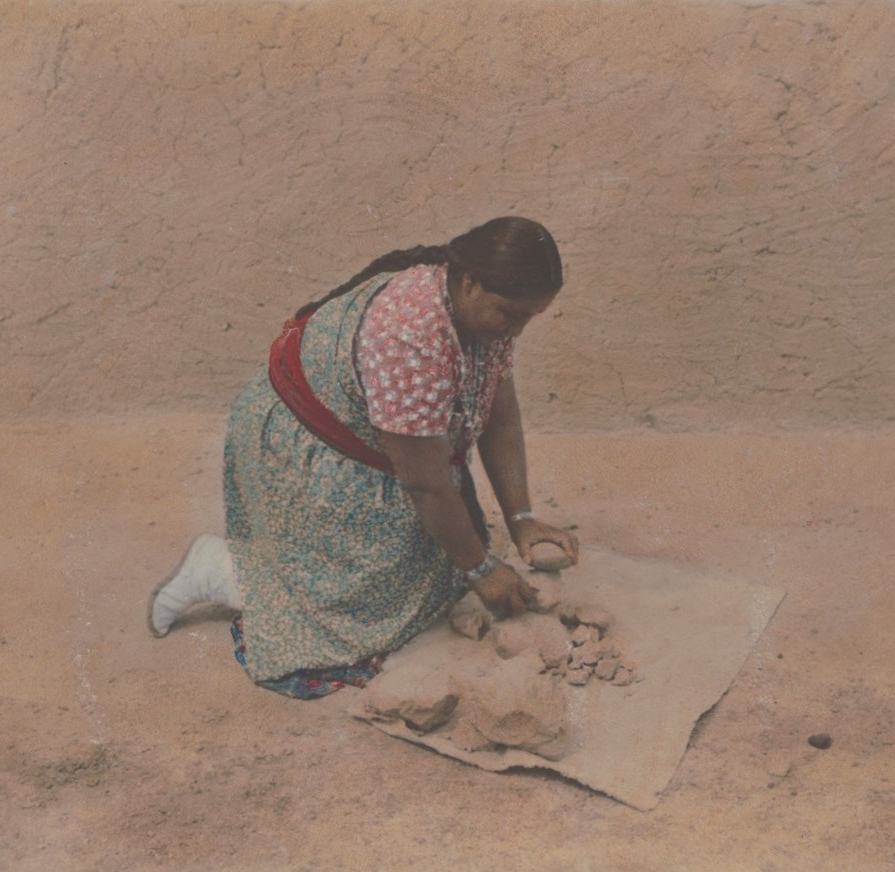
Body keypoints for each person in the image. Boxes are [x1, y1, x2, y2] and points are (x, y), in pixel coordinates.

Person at [147, 216, 579, 698]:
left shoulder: (480, 317)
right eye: (509, 314)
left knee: (439, 564)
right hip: (307, 448)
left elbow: (500, 415)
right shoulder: (407, 334)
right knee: (355, 604)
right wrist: (480, 570)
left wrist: (521, 517)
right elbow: (424, 485)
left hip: (382, 450)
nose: (516, 330)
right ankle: (224, 572)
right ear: (470, 283)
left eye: (528, 318)